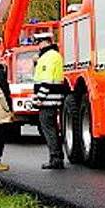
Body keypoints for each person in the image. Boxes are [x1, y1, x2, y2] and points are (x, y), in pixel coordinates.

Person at [33, 33, 65, 169]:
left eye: (39, 42)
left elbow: (46, 81)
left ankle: (55, 158)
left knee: (49, 129)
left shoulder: (48, 57)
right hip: (53, 98)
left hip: (48, 100)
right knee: (53, 129)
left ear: (46, 42)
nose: (38, 45)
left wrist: (39, 98)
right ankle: (57, 157)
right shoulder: (54, 55)